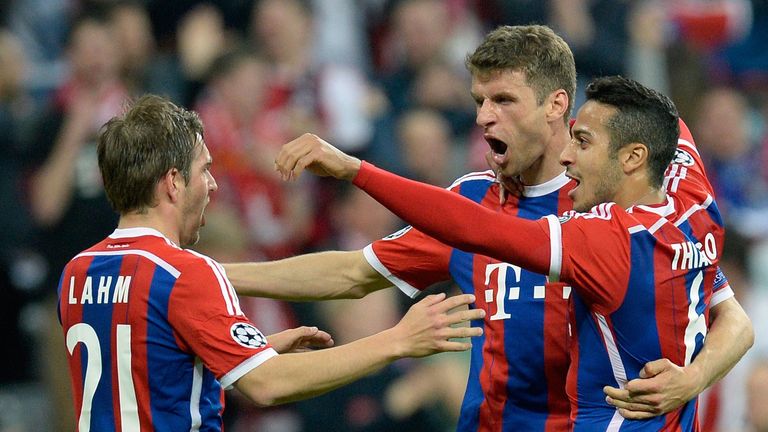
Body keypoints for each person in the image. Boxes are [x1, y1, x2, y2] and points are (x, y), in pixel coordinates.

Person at [226, 26, 752, 431]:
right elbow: (349, 273)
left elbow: (731, 319)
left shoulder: (618, 212)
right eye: (479, 101)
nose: (483, 117)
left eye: (503, 100)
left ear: (556, 105)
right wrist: (214, 274)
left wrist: (694, 378)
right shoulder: (469, 199)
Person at [57, 94, 485, 431]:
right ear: (173, 183)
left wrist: (243, 350)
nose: (212, 184)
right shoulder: (186, 273)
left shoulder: (76, 273)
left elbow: (144, 367)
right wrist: (398, 340)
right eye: (204, 170)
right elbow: (268, 385)